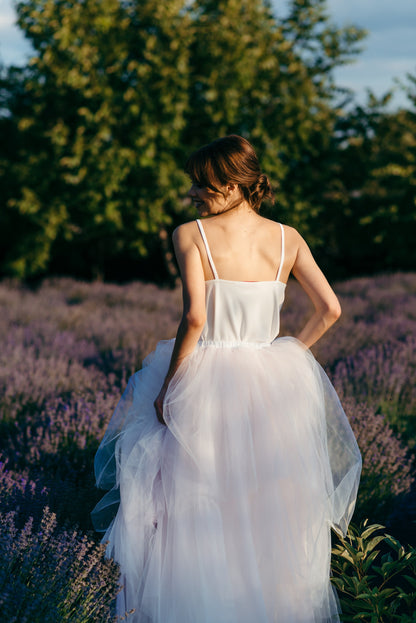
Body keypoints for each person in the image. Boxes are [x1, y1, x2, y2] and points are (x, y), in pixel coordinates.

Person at [92, 135, 361, 623]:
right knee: (266, 505)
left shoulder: (190, 235)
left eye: (205, 184)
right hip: (272, 384)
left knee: (191, 508)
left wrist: (170, 387)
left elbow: (195, 318)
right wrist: (289, 356)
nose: (194, 193)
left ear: (236, 184)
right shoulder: (288, 238)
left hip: (205, 379)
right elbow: (331, 309)